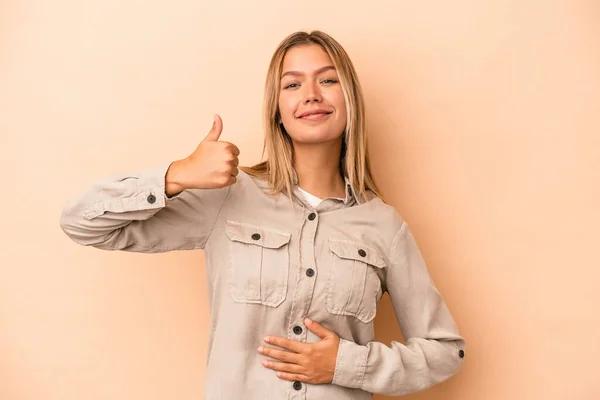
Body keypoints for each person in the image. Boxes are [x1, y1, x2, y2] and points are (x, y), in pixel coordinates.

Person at [60, 30, 466, 399]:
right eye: (292, 84)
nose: (311, 94)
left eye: (327, 79)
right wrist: (177, 173)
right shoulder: (228, 199)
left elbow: (445, 350)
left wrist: (346, 364)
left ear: (350, 100)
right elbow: (82, 221)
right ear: (277, 108)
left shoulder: (383, 225)